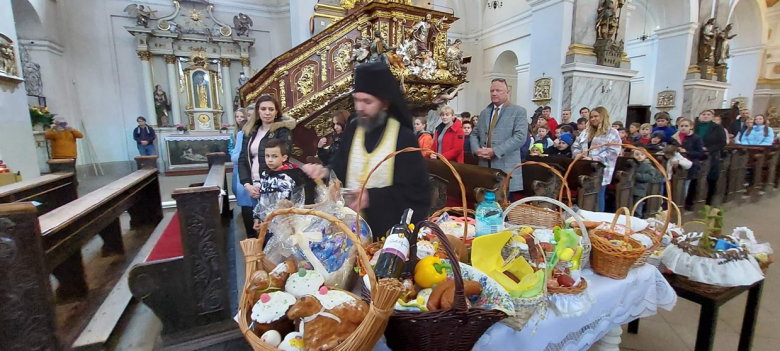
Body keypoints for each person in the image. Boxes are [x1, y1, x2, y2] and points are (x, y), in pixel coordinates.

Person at [301, 61, 430, 239]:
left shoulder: (403, 137)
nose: (360, 107)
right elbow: (339, 169)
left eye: (367, 101)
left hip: (386, 235)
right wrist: (323, 172)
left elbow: (417, 194)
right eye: (357, 100)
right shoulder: (354, 129)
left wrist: (372, 198)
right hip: (348, 231)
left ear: (384, 104)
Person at [238, 95, 297, 233]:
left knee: (274, 230)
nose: (267, 112)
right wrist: (247, 184)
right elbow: (243, 159)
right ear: (258, 111)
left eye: (271, 109)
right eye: (263, 109)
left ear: (277, 111)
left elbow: (282, 159)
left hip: (272, 187)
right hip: (253, 186)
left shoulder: (282, 131)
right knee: (257, 229)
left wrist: (265, 186)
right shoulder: (250, 131)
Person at [470, 78, 528, 197]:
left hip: (505, 167)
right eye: (492, 91)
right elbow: (474, 134)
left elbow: (520, 137)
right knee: (486, 206)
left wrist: (495, 151)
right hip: (485, 167)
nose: (494, 93)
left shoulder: (518, 111)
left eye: (498, 90)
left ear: (507, 92)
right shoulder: (484, 112)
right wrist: (476, 150)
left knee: (504, 207)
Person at [251, 139, 316, 245]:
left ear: (284, 157)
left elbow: (301, 199)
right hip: (269, 223)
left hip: (289, 223)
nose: (270, 160)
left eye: (274, 156)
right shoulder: (265, 174)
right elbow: (263, 198)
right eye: (267, 156)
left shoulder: (293, 176)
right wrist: (257, 218)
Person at [572, 106, 622, 212]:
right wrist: (578, 155)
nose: (593, 119)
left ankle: (598, 219)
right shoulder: (585, 132)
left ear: (603, 117)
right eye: (591, 117)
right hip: (585, 168)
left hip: (601, 169)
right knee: (583, 195)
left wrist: (593, 158)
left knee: (597, 196)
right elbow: (575, 146)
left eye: (596, 116)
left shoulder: (612, 132)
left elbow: (613, 152)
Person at [230, 108, 257, 238]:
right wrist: (246, 156)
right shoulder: (243, 134)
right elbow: (235, 157)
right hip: (247, 176)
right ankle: (252, 241)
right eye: (249, 115)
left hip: (262, 177)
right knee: (248, 209)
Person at [670, 118, 705, 209]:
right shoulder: (675, 137)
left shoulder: (696, 138)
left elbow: (700, 153)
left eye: (686, 126)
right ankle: (671, 204)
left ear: (691, 127)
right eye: (681, 126)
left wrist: (687, 152)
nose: (683, 128)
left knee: (684, 186)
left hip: (689, 165)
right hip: (675, 164)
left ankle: (680, 205)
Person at [695, 109, 727, 205]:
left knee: (711, 177)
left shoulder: (717, 128)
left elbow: (722, 142)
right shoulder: (695, 126)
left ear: (712, 117)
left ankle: (709, 200)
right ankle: (693, 199)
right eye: (703, 114)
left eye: (708, 114)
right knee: (695, 178)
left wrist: (708, 149)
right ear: (699, 116)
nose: (705, 116)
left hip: (711, 155)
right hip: (696, 154)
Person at [632, 148, 664, 218]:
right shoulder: (633, 163)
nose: (639, 156)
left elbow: (650, 177)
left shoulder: (649, 166)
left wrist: (636, 175)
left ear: (646, 156)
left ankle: (638, 217)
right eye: (637, 155)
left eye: (642, 154)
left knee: (638, 205)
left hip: (641, 189)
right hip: (633, 187)